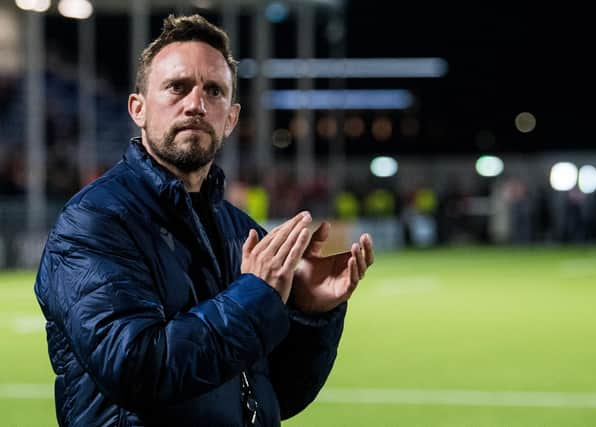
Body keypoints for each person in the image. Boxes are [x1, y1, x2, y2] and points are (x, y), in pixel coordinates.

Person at [34, 14, 374, 427]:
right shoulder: (93, 224)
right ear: (138, 109)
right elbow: (138, 369)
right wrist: (253, 296)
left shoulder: (238, 229)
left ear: (230, 118)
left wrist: (309, 315)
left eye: (213, 91)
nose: (195, 104)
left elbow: (277, 392)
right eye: (177, 87)